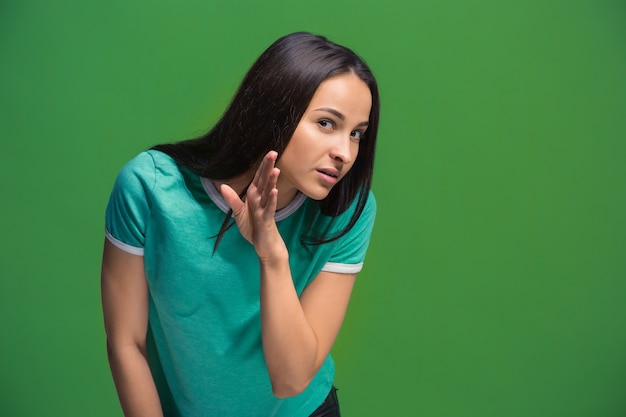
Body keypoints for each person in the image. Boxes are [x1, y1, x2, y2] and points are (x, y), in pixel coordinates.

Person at [101, 31, 380, 417]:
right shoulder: (150, 188)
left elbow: (291, 378)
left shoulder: (348, 210)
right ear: (274, 111)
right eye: (327, 124)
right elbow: (125, 341)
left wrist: (272, 254)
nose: (345, 152)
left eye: (357, 134)